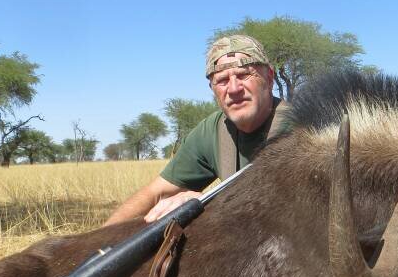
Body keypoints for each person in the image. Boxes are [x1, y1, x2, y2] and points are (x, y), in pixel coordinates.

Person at [104, 34, 287, 225]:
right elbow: (156, 192)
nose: (233, 89)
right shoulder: (212, 131)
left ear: (269, 78)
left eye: (243, 75)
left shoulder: (302, 130)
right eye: (222, 80)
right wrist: (99, 245)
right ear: (212, 89)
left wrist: (204, 203)